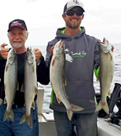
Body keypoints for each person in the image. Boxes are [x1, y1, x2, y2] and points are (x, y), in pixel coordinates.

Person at [46, 0, 100, 136]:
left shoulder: (94, 43)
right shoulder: (53, 44)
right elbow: (47, 75)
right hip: (61, 107)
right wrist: (47, 59)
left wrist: (107, 59)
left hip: (87, 106)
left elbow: (100, 71)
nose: (74, 15)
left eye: (79, 12)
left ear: (82, 16)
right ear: (64, 16)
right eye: (71, 12)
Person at [0, 19, 49, 136]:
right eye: (13, 34)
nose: (16, 37)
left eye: (20, 33)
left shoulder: (31, 57)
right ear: (8, 36)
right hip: (5, 108)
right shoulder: (5, 55)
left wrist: (40, 61)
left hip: (26, 107)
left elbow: (45, 80)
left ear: (27, 36)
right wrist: (0, 59)